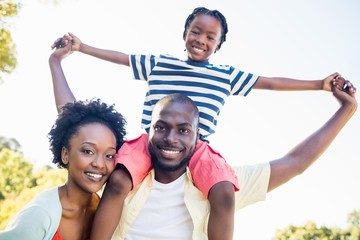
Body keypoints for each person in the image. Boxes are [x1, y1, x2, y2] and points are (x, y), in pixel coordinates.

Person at [52, 6, 348, 239]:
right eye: (196, 32)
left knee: (222, 192)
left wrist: (319, 84)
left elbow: (270, 83)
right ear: (185, 34)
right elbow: (122, 58)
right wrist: (82, 47)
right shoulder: (160, 63)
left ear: (218, 46)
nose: (201, 40)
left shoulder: (225, 75)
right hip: (146, 143)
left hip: (199, 149)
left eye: (210, 37)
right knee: (117, 181)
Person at [0, 97, 127, 239]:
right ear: (65, 154)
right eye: (88, 151)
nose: (99, 163)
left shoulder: (103, 211)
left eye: (109, 155)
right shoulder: (39, 215)